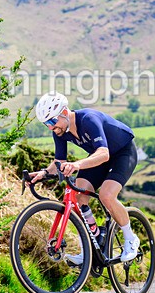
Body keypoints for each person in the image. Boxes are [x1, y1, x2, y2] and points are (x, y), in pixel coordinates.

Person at [28, 91, 140, 264]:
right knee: (78, 197)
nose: (50, 127)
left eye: (52, 121)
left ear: (64, 113)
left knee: (107, 195)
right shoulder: (60, 130)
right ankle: (92, 241)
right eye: (46, 124)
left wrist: (77, 165)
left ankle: (131, 239)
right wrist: (43, 173)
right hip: (98, 157)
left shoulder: (88, 119)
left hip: (123, 152)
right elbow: (59, 161)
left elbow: (103, 153)